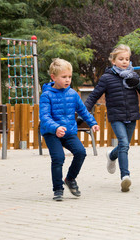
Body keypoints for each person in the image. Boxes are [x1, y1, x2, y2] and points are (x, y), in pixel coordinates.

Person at [84, 44, 140, 192]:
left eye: (127, 59)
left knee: (123, 146)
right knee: (124, 144)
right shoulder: (107, 78)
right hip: (116, 116)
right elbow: (94, 95)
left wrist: (138, 82)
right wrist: (83, 111)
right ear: (113, 61)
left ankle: (111, 155)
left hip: (132, 115)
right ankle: (125, 177)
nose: (125, 62)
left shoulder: (133, 76)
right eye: (121, 59)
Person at [40, 58, 100, 201]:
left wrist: (92, 122)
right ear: (53, 77)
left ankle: (70, 179)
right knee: (58, 158)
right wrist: (55, 128)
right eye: (64, 77)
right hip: (51, 133)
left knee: (80, 152)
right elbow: (44, 116)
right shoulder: (46, 95)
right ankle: (58, 189)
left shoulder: (72, 94)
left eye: (69, 77)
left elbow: (83, 111)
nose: (67, 80)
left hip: (69, 131)